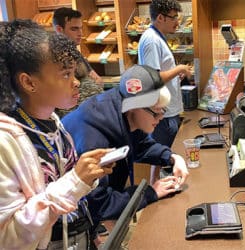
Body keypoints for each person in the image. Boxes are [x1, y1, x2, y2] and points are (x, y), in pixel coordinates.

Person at [0, 19, 114, 249]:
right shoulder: (5, 141)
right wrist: (75, 180)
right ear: (29, 82)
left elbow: (71, 196)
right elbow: (8, 238)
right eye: (65, 74)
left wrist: (86, 176)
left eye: (74, 73)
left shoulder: (53, 122)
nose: (76, 83)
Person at [61, 65, 189, 237]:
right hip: (69, 222)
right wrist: (150, 193)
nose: (160, 119)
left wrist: (173, 157)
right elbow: (99, 204)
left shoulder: (121, 112)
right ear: (133, 107)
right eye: (156, 113)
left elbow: (141, 145)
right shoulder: (95, 139)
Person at [138, 0, 192, 149]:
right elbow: (153, 77)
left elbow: (160, 71)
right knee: (163, 156)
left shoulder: (158, 37)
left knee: (163, 156)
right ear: (161, 17)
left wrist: (175, 74)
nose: (177, 22)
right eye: (173, 17)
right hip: (162, 113)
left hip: (167, 111)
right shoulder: (152, 40)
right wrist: (179, 68)